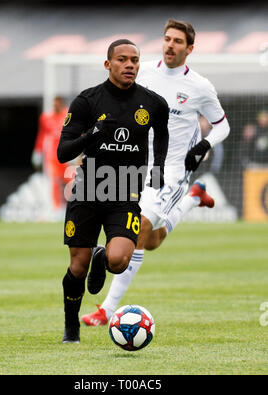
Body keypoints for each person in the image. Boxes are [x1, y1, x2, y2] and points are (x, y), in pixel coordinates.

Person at [82, 19, 230, 327]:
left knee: (140, 230)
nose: (170, 45)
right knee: (151, 241)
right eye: (167, 39)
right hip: (134, 163)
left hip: (171, 170)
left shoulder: (200, 87)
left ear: (189, 49)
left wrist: (202, 145)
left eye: (177, 41)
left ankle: (107, 310)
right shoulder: (143, 72)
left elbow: (223, 125)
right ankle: (194, 199)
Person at [57, 39, 169, 343]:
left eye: (134, 59)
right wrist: (92, 134)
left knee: (120, 260)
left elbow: (162, 136)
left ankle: (103, 256)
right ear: (108, 64)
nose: (130, 64)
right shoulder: (87, 101)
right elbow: (62, 152)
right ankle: (71, 327)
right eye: (122, 59)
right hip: (88, 190)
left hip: (125, 193)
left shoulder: (154, 103)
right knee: (77, 267)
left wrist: (157, 168)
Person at [32, 96, 73, 218]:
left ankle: (73, 207)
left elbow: (77, 132)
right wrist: (38, 151)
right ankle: (56, 209)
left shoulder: (69, 116)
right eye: (54, 104)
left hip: (67, 156)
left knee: (70, 181)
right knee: (54, 182)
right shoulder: (46, 117)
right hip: (52, 157)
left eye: (58, 104)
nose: (56, 106)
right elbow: (42, 135)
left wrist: (76, 151)